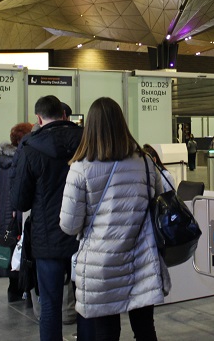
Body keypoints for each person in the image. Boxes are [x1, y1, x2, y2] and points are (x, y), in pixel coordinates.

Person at [60, 97, 169, 341]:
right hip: (142, 260)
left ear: (91, 127)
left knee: (106, 333)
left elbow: (69, 225)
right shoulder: (145, 162)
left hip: (102, 266)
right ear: (122, 124)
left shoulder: (80, 168)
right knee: (145, 330)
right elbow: (158, 206)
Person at [12, 95, 83, 341]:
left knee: (50, 305)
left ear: (39, 118)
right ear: (64, 115)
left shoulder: (30, 147)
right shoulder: (86, 141)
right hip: (83, 236)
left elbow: (20, 200)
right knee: (86, 304)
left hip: (47, 238)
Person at [0, 122, 33, 301]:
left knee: (11, 247)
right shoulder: (17, 161)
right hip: (14, 212)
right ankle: (20, 290)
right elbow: (16, 189)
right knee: (20, 248)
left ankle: (14, 290)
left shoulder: (3, 160)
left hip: (4, 210)